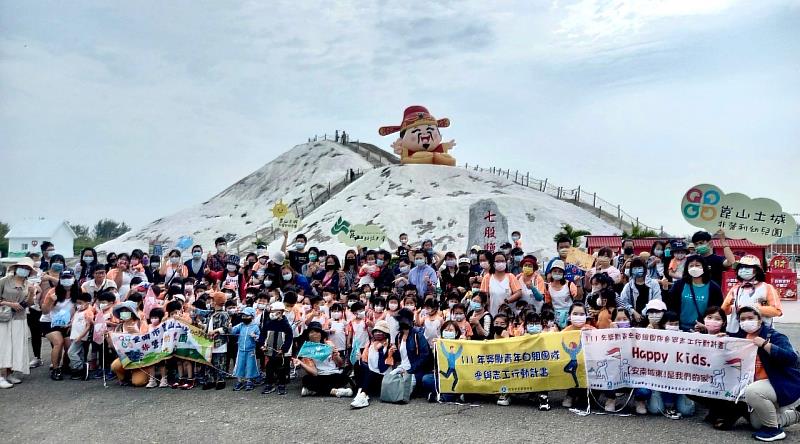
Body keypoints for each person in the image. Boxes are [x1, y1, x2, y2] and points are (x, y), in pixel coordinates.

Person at [736, 306, 800, 441]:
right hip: (763, 387)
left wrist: (765, 344)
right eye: (742, 319)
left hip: (780, 383)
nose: (746, 321)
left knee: (752, 391)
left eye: (750, 318)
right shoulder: (740, 338)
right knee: (757, 424)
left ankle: (773, 431)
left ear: (759, 320)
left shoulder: (774, 336)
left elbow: (791, 358)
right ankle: (797, 415)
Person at [722, 255, 782, 334]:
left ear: (757, 270)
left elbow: (777, 311)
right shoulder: (735, 289)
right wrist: (727, 305)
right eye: (741, 267)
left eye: (747, 267)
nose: (743, 270)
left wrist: (753, 308)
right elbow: (724, 312)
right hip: (737, 331)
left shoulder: (767, 288)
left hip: (761, 332)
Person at [0, 257, 36, 388]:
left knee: (16, 346)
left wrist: (32, 293)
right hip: (3, 317)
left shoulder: (28, 284)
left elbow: (29, 303)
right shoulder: (4, 281)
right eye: (23, 267)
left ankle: (9, 374)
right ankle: (1, 375)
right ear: (16, 268)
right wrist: (9, 303)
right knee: (3, 346)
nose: (24, 270)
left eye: (27, 269)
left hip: (19, 318)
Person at [665, 255, 723, 332]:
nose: (694, 268)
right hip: (679, 328)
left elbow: (716, 309)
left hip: (702, 329)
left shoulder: (713, 288)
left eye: (697, 265)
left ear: (704, 267)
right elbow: (671, 305)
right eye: (691, 266)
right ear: (687, 268)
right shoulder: (679, 285)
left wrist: (706, 326)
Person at [294, 321, 350, 398]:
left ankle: (313, 391)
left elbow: (340, 364)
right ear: (308, 335)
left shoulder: (329, 344)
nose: (315, 334)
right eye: (312, 332)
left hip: (333, 374)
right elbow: (314, 373)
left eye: (317, 332)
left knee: (344, 377)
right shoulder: (307, 350)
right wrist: (301, 363)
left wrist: (336, 355)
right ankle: (334, 391)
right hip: (320, 376)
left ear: (321, 334)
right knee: (307, 379)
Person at [41, 269, 80, 380]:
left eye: (69, 278)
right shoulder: (53, 292)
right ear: (60, 280)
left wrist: (72, 323)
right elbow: (44, 311)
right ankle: (55, 368)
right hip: (49, 322)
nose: (66, 281)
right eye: (64, 278)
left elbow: (81, 308)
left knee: (69, 346)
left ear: (73, 279)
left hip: (67, 323)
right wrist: (50, 301)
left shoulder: (78, 291)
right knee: (58, 342)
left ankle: (65, 366)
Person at [351, 320, 393, 408]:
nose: (377, 333)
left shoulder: (390, 347)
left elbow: (382, 368)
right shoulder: (370, 345)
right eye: (376, 331)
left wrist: (381, 350)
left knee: (370, 372)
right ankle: (361, 392)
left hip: (383, 378)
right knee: (357, 365)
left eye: (380, 331)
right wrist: (360, 360)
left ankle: (363, 394)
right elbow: (366, 363)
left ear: (385, 333)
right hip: (370, 377)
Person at [391, 308, 431, 395]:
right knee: (389, 380)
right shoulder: (398, 336)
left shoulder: (418, 335)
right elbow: (400, 357)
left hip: (415, 370)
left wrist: (410, 370)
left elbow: (425, 356)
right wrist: (393, 352)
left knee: (403, 393)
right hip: (402, 367)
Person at [259, 301, 294, 395]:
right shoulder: (268, 322)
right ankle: (269, 384)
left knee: (281, 368)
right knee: (269, 367)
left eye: (274, 311)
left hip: (281, 352)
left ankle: (282, 385)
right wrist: (261, 344)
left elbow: (289, 338)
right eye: (271, 311)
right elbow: (262, 334)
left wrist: (284, 349)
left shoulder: (285, 324)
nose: (271, 314)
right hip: (269, 350)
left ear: (281, 312)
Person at [617, 257, 662, 326]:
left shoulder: (654, 284)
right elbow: (623, 302)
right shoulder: (628, 286)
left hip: (651, 319)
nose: (637, 270)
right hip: (634, 320)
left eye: (639, 267)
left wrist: (643, 313)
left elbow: (657, 300)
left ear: (645, 269)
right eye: (634, 268)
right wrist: (633, 312)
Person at [203, 292, 231, 390]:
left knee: (219, 361)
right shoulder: (211, 313)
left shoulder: (224, 314)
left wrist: (216, 331)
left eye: (212, 300)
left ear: (216, 302)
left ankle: (220, 380)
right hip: (208, 340)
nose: (210, 302)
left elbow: (226, 328)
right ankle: (210, 380)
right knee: (209, 361)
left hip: (220, 341)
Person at [480, 252, 522, 317]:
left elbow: (518, 293)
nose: (500, 263)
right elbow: (483, 295)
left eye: (502, 261)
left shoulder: (510, 276)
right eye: (497, 261)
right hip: (492, 314)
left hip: (509, 315)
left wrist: (507, 301)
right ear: (493, 263)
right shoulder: (487, 277)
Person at [231, 306, 260, 391]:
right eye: (243, 316)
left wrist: (255, 336)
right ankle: (239, 381)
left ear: (252, 316)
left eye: (246, 316)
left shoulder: (255, 326)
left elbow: (259, 337)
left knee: (250, 365)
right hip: (241, 349)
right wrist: (230, 327)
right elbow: (233, 331)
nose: (244, 317)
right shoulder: (241, 325)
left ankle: (249, 381)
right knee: (239, 365)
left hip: (251, 350)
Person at [544, 260, 579, 329]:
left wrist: (577, 284)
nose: (557, 273)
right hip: (555, 317)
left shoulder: (569, 284)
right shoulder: (548, 287)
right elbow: (548, 302)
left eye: (560, 271)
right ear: (551, 272)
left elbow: (578, 297)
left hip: (569, 316)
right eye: (555, 271)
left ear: (563, 273)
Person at [66, 292, 93, 380]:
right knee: (79, 353)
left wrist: (81, 336)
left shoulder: (88, 312)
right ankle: (82, 371)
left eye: (80, 303)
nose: (78, 305)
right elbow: (74, 321)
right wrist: (69, 325)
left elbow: (88, 326)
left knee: (71, 352)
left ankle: (79, 368)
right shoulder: (78, 311)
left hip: (80, 337)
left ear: (88, 303)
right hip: (75, 336)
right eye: (77, 303)